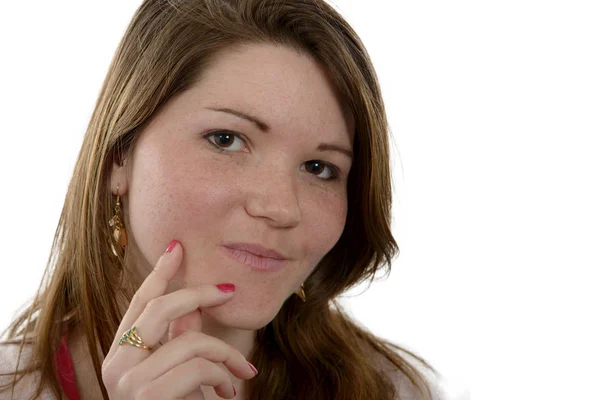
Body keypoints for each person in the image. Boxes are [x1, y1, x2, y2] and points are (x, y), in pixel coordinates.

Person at [0, 0, 445, 399]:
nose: (281, 208)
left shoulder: (396, 390)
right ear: (120, 156)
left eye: (318, 169)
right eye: (226, 139)